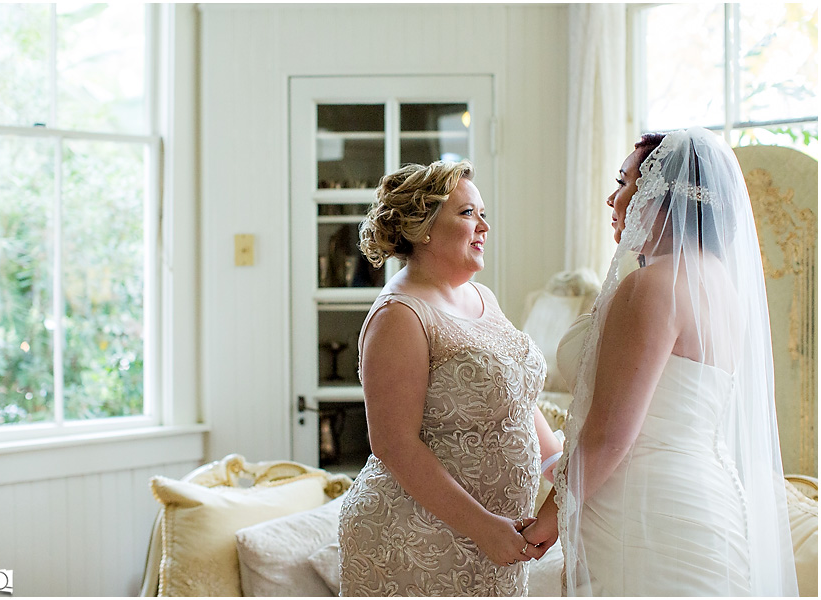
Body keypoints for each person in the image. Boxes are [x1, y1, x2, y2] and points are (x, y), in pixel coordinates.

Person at [521, 127, 798, 595]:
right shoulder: (720, 285)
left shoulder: (654, 286)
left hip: (644, 515)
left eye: (625, 183)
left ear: (660, 196)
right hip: (707, 504)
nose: (613, 198)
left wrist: (546, 520)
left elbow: (610, 435)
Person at [338, 159, 564, 596]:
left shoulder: (483, 297)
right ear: (423, 227)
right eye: (467, 213)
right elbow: (393, 444)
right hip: (414, 537)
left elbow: (515, 400)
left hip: (495, 538)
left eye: (483, 214)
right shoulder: (399, 315)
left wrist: (564, 476)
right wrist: (483, 527)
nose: (484, 226)